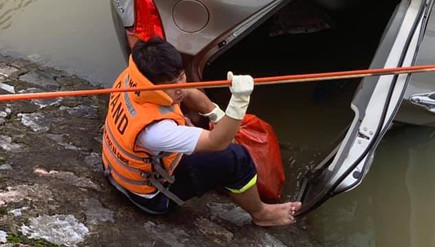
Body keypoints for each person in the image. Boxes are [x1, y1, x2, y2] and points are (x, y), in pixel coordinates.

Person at [101, 37, 301, 226]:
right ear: (152, 86)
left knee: (189, 106)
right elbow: (217, 143)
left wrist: (217, 116)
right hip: (151, 194)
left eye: (182, 77)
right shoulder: (154, 130)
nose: (180, 88)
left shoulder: (133, 78)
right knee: (235, 157)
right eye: (172, 86)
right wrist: (239, 101)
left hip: (124, 166)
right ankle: (262, 214)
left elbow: (185, 91)